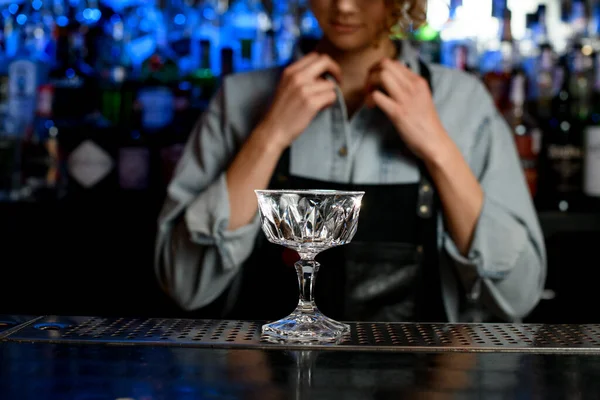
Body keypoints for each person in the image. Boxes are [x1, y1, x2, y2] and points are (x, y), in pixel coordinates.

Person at [155, 0, 547, 323]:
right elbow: (185, 286)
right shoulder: (240, 98)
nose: (343, 6)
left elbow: (517, 297)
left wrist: (438, 148)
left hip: (419, 382)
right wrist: (269, 134)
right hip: (267, 384)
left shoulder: (464, 102)